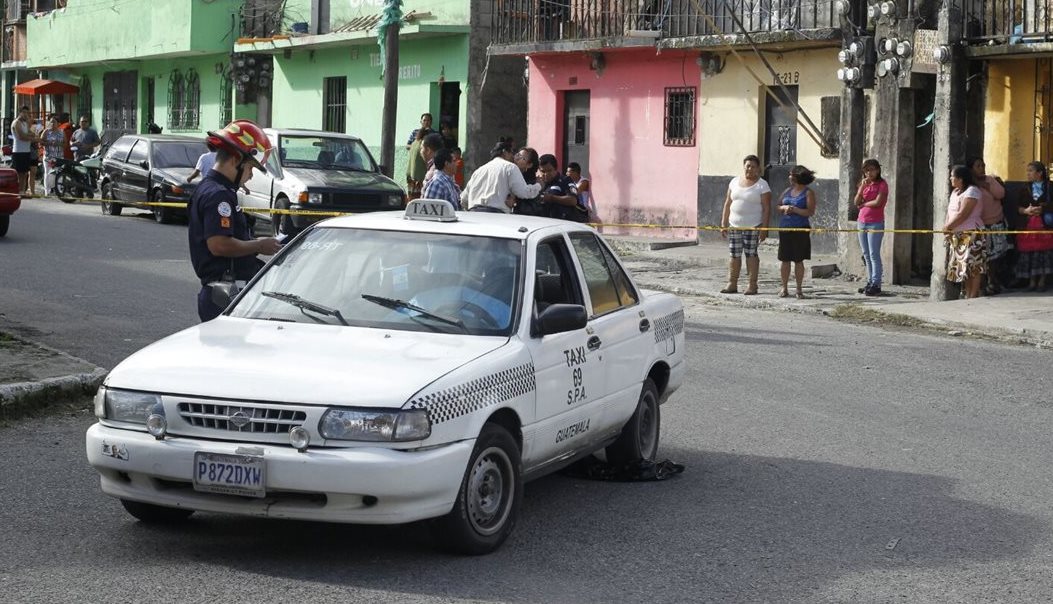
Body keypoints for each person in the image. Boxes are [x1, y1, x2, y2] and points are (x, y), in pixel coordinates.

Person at [188, 119, 282, 322]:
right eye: (250, 168)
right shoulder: (218, 195)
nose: (250, 176)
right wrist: (259, 245)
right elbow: (219, 245)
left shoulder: (214, 189)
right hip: (225, 294)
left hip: (225, 292)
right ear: (235, 160)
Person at [719, 154, 771, 295]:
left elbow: (767, 208)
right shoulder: (734, 182)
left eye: (753, 166)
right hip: (734, 224)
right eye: (747, 166)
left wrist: (764, 229)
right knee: (734, 254)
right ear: (744, 166)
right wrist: (724, 222)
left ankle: (752, 285)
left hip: (753, 225)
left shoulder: (762, 185)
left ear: (757, 169)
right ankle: (732, 283)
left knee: (751, 254)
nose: (749, 169)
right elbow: (727, 203)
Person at [461, 140, 541, 213]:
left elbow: (464, 199)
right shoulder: (510, 167)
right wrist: (538, 186)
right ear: (505, 152)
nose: (514, 157)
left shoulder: (479, 171)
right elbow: (523, 192)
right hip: (496, 216)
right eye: (512, 154)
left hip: (474, 215)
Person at [944, 164, 987, 299]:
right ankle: (968, 293)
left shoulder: (972, 191)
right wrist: (948, 227)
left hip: (972, 233)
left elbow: (963, 214)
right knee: (964, 267)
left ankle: (973, 294)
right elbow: (950, 212)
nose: (951, 179)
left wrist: (948, 227)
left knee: (973, 265)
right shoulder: (955, 192)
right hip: (958, 234)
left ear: (961, 179)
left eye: (953, 176)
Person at [776, 165, 817, 298]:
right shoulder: (787, 191)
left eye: (792, 174)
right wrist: (784, 207)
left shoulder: (808, 193)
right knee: (784, 259)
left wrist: (795, 210)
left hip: (800, 229)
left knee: (798, 260)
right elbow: (778, 205)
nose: (789, 177)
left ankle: (799, 289)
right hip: (785, 228)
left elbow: (810, 211)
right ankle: (784, 287)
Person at [969, 157, 1008, 294]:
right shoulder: (970, 184)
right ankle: (982, 284)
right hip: (980, 225)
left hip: (995, 223)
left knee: (995, 256)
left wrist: (988, 186)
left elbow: (1001, 193)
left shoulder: (990, 180)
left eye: (983, 165)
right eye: (978, 166)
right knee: (982, 256)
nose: (981, 168)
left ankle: (993, 282)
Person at [1014, 161, 1053, 292]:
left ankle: (1042, 280)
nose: (1028, 173)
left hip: (1045, 225)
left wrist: (1043, 208)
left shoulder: (1050, 187)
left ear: (1040, 173)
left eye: (1031, 171)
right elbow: (1018, 207)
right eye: (1028, 171)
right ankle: (1031, 281)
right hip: (1029, 224)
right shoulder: (1025, 188)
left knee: (1044, 252)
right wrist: (1026, 211)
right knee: (1029, 252)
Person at [853, 158, 889, 296]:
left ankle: (876, 283)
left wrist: (864, 204)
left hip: (876, 222)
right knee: (866, 254)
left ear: (878, 170)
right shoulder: (865, 184)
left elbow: (878, 202)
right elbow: (856, 201)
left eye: (872, 169)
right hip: (862, 221)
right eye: (867, 170)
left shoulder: (882, 184)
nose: (870, 173)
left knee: (874, 254)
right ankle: (869, 281)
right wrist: (861, 188)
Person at [538, 154, 584, 222]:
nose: (546, 174)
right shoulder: (538, 183)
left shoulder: (565, 180)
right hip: (546, 223)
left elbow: (573, 200)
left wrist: (551, 198)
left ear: (556, 169)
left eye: (549, 171)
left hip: (564, 224)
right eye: (543, 171)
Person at [511, 147, 543, 216]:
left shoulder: (534, 184)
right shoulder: (511, 173)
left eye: (522, 158)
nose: (517, 158)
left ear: (529, 165)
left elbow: (531, 210)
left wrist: (515, 203)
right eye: (518, 155)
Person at [10, 106, 34, 194]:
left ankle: (22, 191)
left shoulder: (26, 123)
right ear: (20, 112)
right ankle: (17, 192)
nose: (25, 114)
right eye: (24, 112)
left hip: (26, 151)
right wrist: (32, 138)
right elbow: (21, 136)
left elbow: (29, 133)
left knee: (25, 173)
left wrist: (33, 135)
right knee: (19, 174)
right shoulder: (16, 123)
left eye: (27, 113)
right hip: (18, 152)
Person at [39, 116, 65, 196]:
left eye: (54, 122)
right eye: (51, 122)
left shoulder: (62, 132)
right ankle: (47, 191)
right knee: (47, 173)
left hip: (58, 157)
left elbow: (65, 144)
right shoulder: (46, 131)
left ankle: (58, 190)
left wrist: (58, 144)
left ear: (58, 123)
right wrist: (48, 143)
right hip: (48, 157)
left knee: (58, 174)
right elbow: (41, 142)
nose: (52, 123)